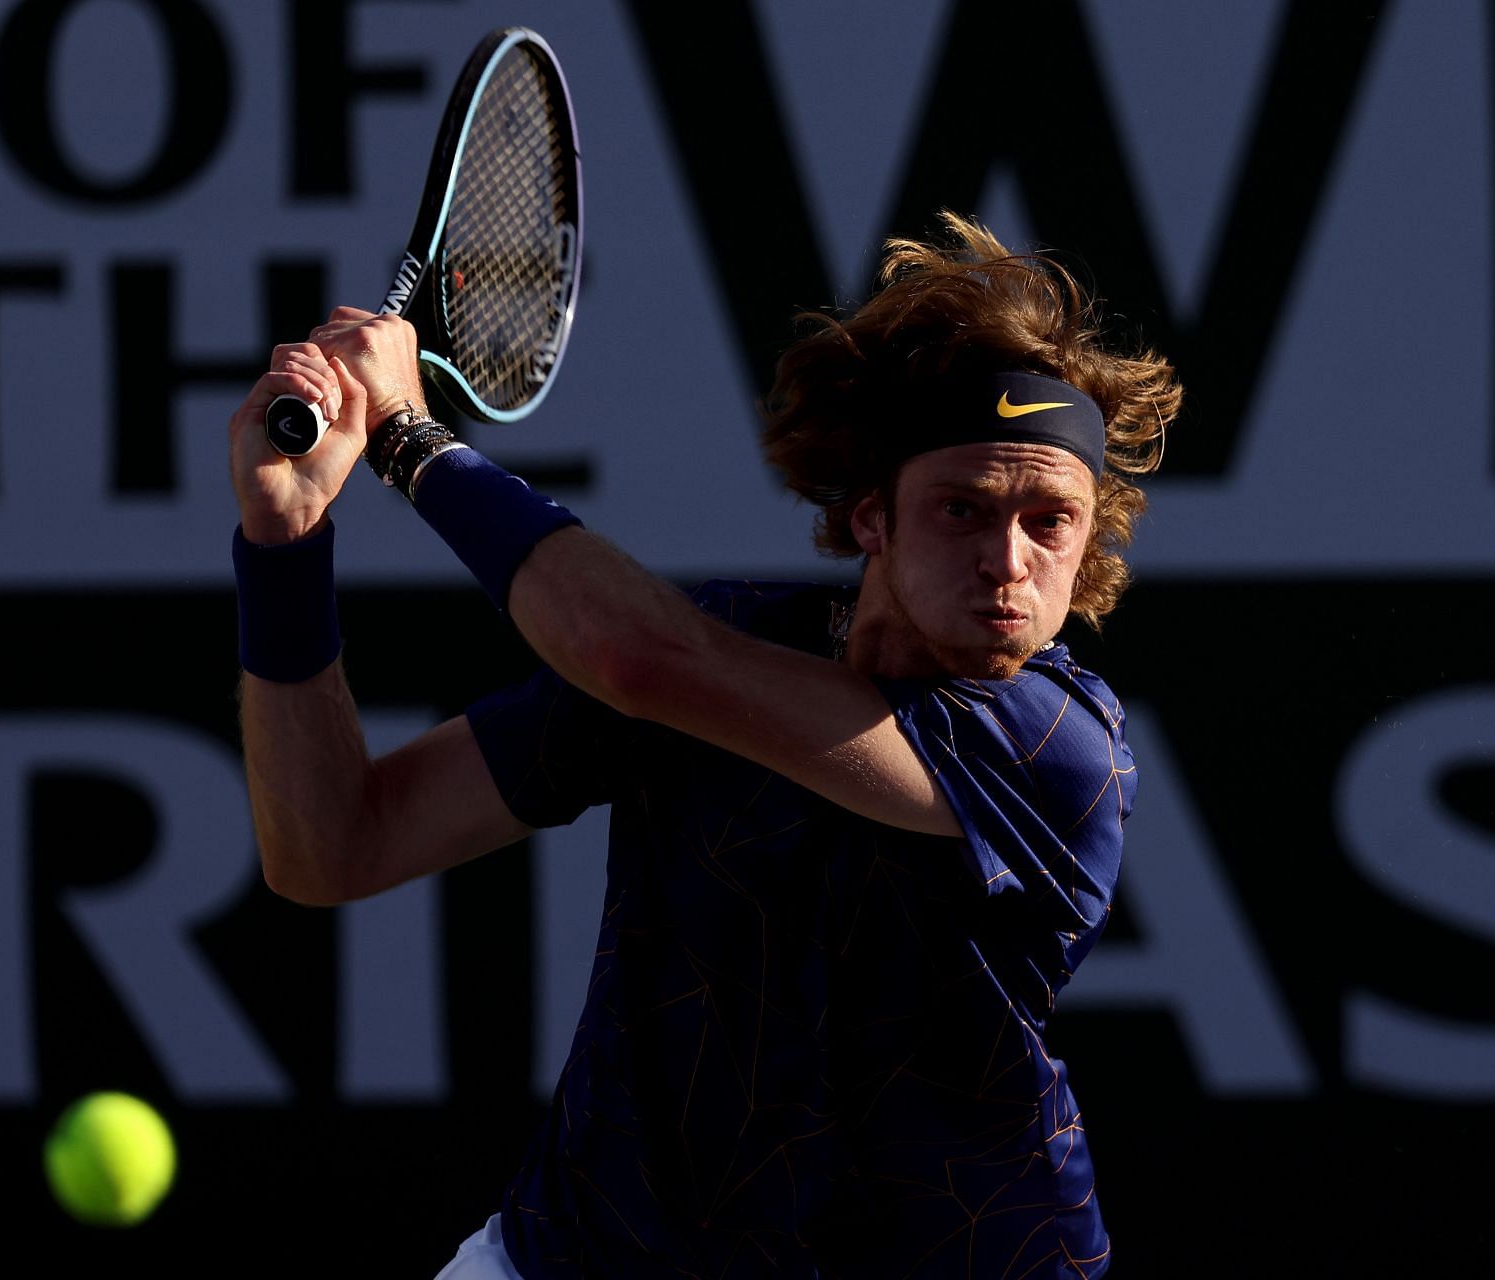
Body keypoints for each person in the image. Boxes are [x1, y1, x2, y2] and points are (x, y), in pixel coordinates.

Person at [228, 214, 1180, 1279]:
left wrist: (406, 435)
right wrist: (283, 544)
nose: (1009, 559)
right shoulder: (725, 642)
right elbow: (330, 846)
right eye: (962, 508)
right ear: (872, 519)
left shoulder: (1058, 746)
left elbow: (640, 659)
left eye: (1052, 520)